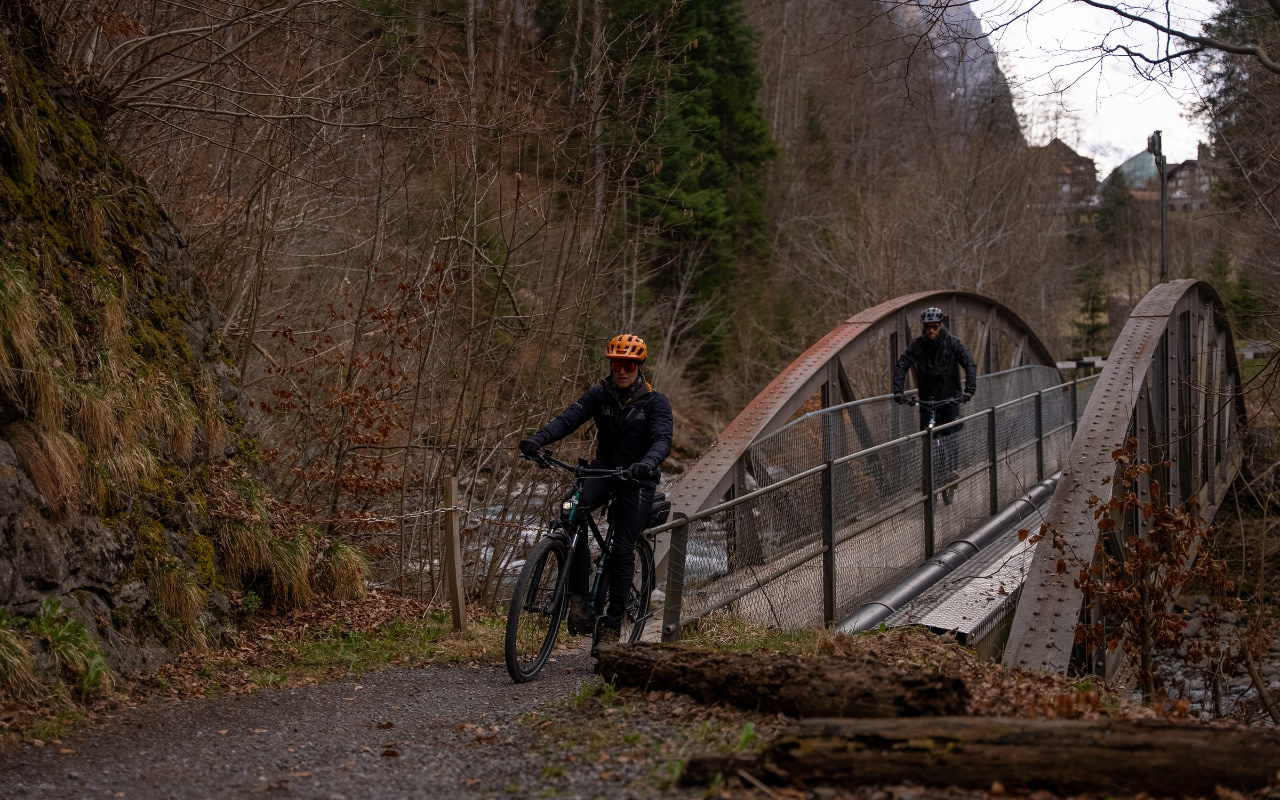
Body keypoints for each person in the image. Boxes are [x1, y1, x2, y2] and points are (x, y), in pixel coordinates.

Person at [519, 333, 673, 644]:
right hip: (602, 471)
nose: (622, 370)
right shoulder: (599, 394)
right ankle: (578, 601)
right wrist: (538, 439)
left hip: (637, 480)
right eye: (617, 364)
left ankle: (611, 628)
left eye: (628, 365)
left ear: (639, 366)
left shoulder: (656, 402)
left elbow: (662, 440)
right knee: (570, 514)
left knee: (622, 548)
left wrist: (647, 462)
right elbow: (567, 420)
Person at [892, 307, 977, 504]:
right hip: (927, 400)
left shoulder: (953, 343)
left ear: (941, 326)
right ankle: (931, 481)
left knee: (950, 433)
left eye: (934, 327)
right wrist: (898, 392)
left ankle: (952, 471)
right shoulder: (918, 345)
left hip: (950, 399)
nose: (931, 331)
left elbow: (969, 364)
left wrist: (969, 391)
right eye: (928, 327)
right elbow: (902, 365)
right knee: (928, 437)